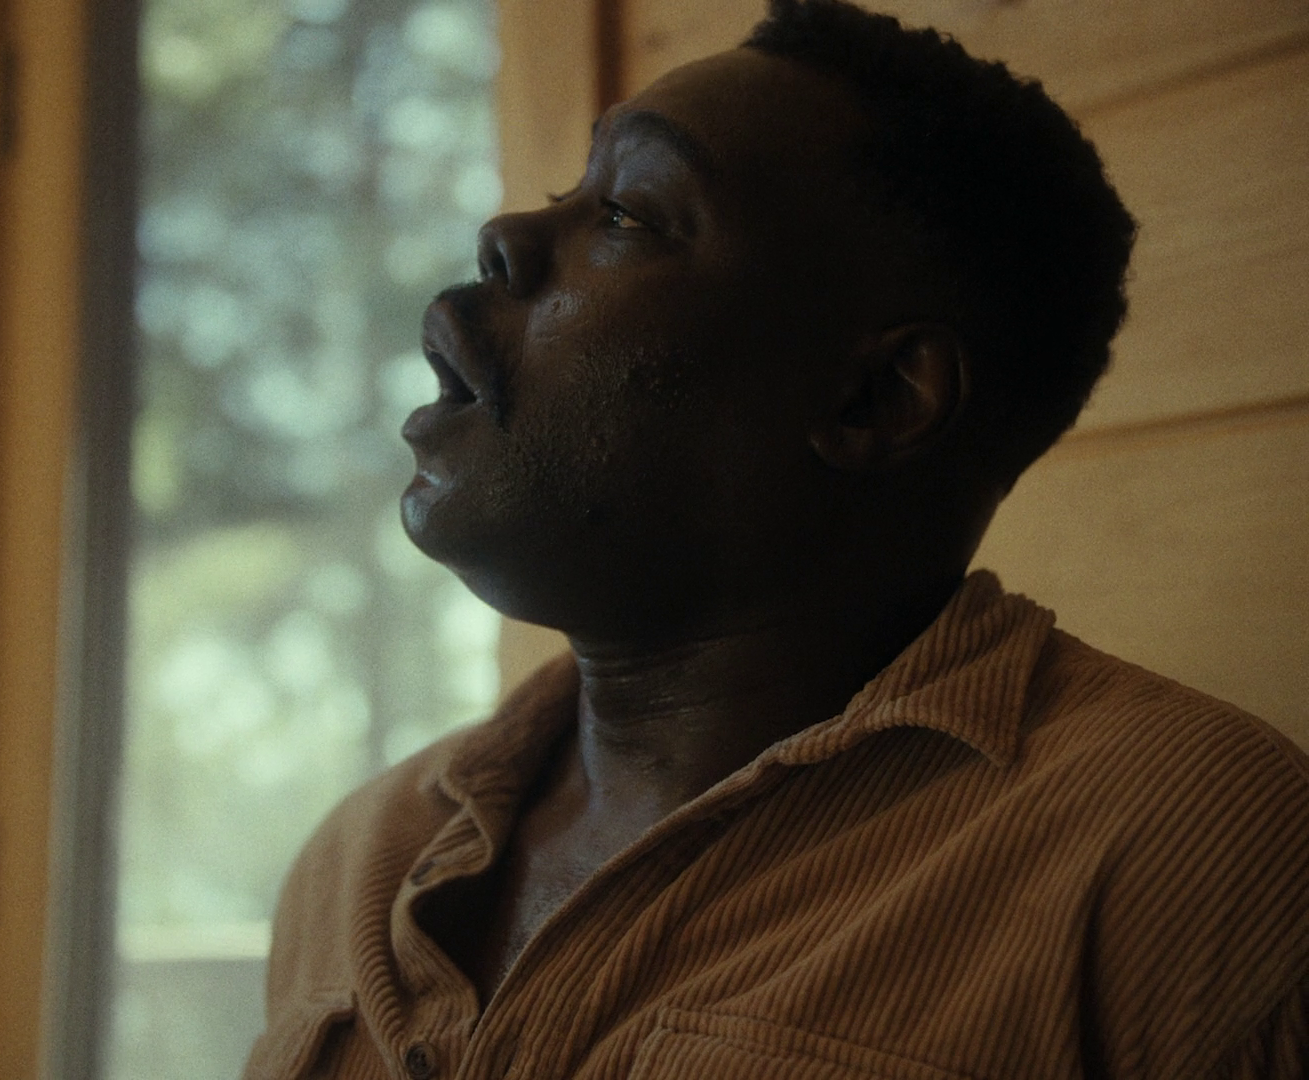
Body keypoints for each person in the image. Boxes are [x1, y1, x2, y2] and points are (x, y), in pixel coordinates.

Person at [243, 1, 1309, 1076]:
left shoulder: (1192, 865)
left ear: (875, 397)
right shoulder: (358, 860)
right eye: (570, 190)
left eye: (628, 213)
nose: (505, 236)